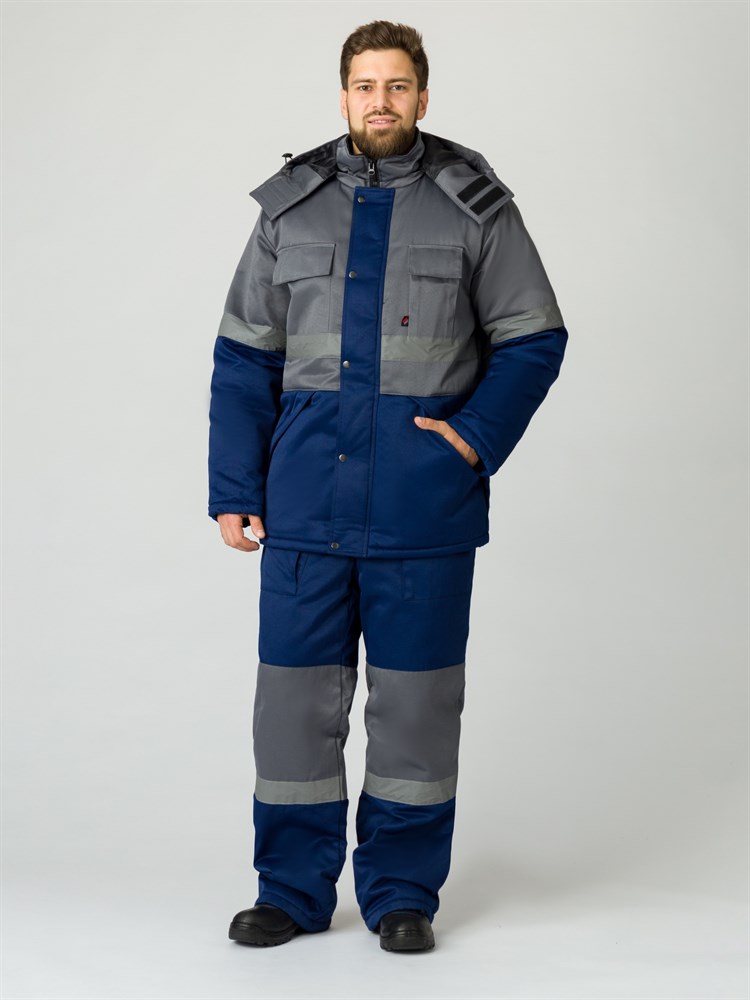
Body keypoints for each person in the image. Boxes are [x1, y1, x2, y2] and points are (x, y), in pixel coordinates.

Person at [207, 19, 568, 953]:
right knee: (292, 712)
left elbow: (534, 336)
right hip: (302, 510)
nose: (381, 101)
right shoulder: (290, 211)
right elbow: (244, 358)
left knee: (416, 710)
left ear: (422, 96)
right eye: (365, 86)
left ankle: (403, 893)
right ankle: (290, 891)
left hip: (423, 509)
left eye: (397, 86)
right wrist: (234, 488)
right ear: (343, 96)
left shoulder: (475, 208)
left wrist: (472, 441)